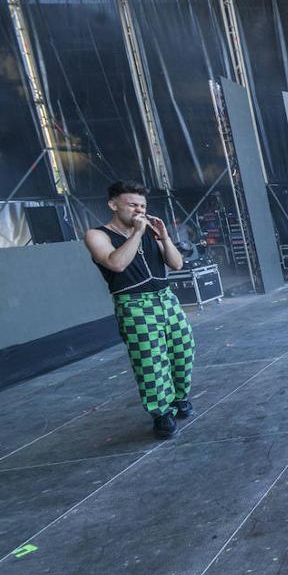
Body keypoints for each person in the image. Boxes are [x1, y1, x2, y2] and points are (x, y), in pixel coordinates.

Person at [84, 181, 194, 440]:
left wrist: (164, 236)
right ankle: (161, 413)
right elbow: (117, 264)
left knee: (183, 350)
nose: (139, 210)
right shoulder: (97, 235)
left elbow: (177, 264)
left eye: (142, 205)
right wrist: (136, 233)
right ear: (113, 205)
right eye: (132, 204)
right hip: (135, 305)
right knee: (150, 361)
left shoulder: (150, 231)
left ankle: (179, 398)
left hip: (166, 299)